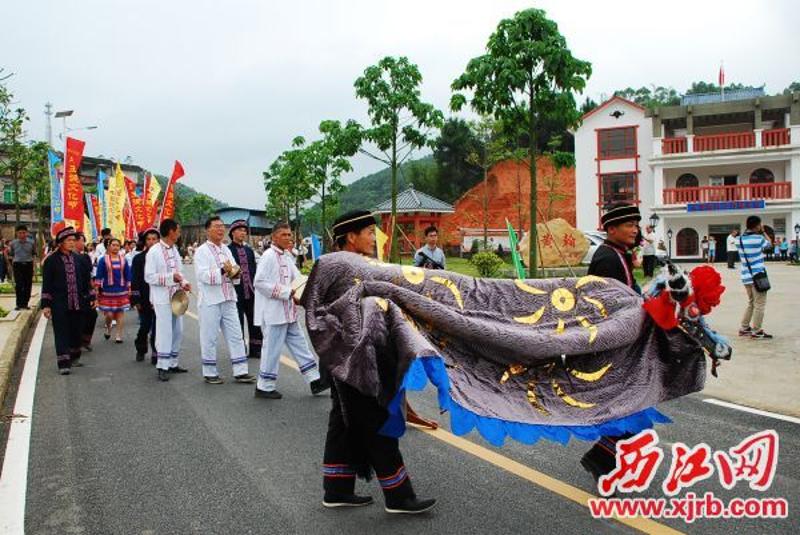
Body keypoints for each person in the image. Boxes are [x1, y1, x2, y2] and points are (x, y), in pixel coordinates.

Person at [320, 210, 436, 513]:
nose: (375, 237)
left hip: (353, 357)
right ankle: (399, 496)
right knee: (374, 419)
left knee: (344, 420)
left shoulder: (357, 265)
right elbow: (321, 308)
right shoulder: (336, 265)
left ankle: (336, 488)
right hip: (351, 358)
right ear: (351, 236)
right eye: (370, 232)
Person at [580, 202, 643, 483]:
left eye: (636, 225)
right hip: (613, 344)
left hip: (621, 341)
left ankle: (605, 458)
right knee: (630, 404)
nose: (635, 229)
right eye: (629, 225)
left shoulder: (618, 254)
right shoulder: (608, 258)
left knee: (631, 404)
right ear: (611, 228)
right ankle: (601, 458)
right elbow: (606, 307)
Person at [253, 222, 327, 398]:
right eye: (284, 234)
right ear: (274, 237)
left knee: (300, 344)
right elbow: (259, 282)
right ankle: (264, 386)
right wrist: (286, 292)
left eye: (289, 234)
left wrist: (312, 287)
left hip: (289, 311)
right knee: (272, 349)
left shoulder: (287, 256)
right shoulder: (269, 256)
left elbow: (299, 278)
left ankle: (315, 380)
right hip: (274, 312)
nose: (288, 237)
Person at [193, 216, 256, 385]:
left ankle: (241, 370)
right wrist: (223, 270)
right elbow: (203, 276)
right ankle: (210, 372)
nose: (221, 229)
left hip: (229, 298)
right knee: (209, 337)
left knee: (236, 335)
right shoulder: (202, 251)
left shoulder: (226, 250)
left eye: (222, 227)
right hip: (210, 300)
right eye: (216, 226)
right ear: (208, 230)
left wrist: (236, 274)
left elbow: (234, 271)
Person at [41, 226, 95, 375]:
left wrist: (91, 296)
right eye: (68, 240)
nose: (72, 243)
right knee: (61, 332)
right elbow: (47, 283)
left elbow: (86, 280)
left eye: (73, 240)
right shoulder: (51, 261)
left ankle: (74, 355)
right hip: (59, 303)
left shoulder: (79, 259)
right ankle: (63, 362)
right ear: (60, 243)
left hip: (78, 302)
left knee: (76, 331)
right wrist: (46, 305)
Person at [145, 219, 191, 381]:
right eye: (178, 230)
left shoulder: (174, 250)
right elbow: (149, 276)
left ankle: (173, 362)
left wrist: (184, 283)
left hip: (177, 297)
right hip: (162, 298)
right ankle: (162, 366)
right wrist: (171, 277)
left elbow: (180, 271)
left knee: (178, 330)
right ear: (171, 231)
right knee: (165, 331)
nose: (179, 233)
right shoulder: (154, 251)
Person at [227, 219, 262, 360]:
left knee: (254, 320)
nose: (243, 233)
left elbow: (254, 269)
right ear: (232, 233)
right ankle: (240, 349)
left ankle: (256, 349)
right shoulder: (228, 251)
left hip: (251, 291)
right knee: (238, 321)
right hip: (236, 292)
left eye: (244, 230)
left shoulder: (249, 251)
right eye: (240, 230)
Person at [738, 215, 772, 340]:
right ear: (757, 225)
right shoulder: (759, 238)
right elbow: (769, 245)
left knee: (751, 302)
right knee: (760, 304)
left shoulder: (739, 239)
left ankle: (744, 327)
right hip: (758, 276)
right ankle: (757, 330)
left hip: (746, 276)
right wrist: (763, 232)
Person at [131, 229, 160, 364]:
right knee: (145, 325)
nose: (152, 242)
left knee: (158, 327)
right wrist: (136, 299)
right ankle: (141, 348)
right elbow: (135, 280)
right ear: (144, 241)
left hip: (160, 298)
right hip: (144, 297)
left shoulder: (162, 258)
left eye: (154, 239)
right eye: (149, 239)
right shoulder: (138, 258)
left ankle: (156, 352)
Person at [74, 232, 98, 352]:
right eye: (82, 241)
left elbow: (89, 276)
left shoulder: (85, 257)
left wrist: (93, 293)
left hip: (86, 291)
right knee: (78, 318)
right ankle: (75, 343)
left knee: (92, 315)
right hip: (74, 292)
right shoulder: (69, 257)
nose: (83, 244)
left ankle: (85, 340)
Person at [9, 224, 36, 310]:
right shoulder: (13, 243)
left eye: (24, 233)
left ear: (27, 233)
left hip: (28, 265)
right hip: (17, 265)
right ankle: (19, 304)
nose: (22, 235)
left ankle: (25, 303)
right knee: (19, 285)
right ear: (17, 233)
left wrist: (34, 267)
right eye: (20, 233)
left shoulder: (31, 242)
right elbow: (11, 255)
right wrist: (10, 266)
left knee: (28, 285)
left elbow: (34, 254)